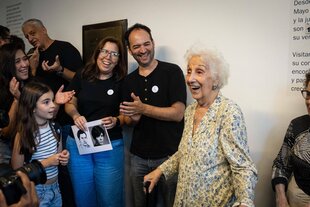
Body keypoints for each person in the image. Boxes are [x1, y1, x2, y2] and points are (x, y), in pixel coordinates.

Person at [144, 45, 258, 207]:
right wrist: (160, 170)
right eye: (189, 71)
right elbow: (185, 153)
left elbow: (243, 167)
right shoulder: (190, 111)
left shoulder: (228, 112)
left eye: (199, 71)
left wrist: (245, 202)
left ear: (216, 79)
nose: (190, 79)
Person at [120, 23, 187, 207]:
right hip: (138, 159)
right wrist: (131, 119)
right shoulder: (128, 81)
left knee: (170, 204)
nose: (143, 50)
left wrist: (143, 109)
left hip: (170, 157)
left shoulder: (172, 72)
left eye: (146, 43)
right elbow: (126, 119)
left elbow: (178, 114)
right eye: (136, 46)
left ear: (153, 42)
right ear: (130, 50)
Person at [22, 18, 83, 206]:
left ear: (44, 29)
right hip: (39, 123)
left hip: (64, 121)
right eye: (26, 36)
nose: (30, 38)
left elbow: (82, 79)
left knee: (65, 169)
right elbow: (31, 90)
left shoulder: (65, 49)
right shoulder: (32, 56)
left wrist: (59, 70)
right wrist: (32, 69)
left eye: (33, 33)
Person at [65, 37, 127, 207]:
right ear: (98, 53)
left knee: (109, 199)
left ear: (119, 59)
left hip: (109, 145)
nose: (108, 57)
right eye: (105, 51)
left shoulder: (122, 82)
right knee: (83, 198)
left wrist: (116, 120)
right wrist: (76, 115)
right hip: (79, 143)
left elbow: (129, 116)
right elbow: (69, 102)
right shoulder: (83, 74)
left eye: (114, 54)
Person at [11, 82, 70, 207]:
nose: (53, 105)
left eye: (52, 100)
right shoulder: (23, 135)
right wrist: (47, 162)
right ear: (32, 107)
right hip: (37, 191)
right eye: (46, 102)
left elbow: (58, 155)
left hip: (56, 188)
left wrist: (63, 157)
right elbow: (17, 172)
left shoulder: (55, 128)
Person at [271, 71, 310, 207]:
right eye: (308, 94)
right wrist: (280, 197)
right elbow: (281, 165)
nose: (309, 101)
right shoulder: (297, 126)